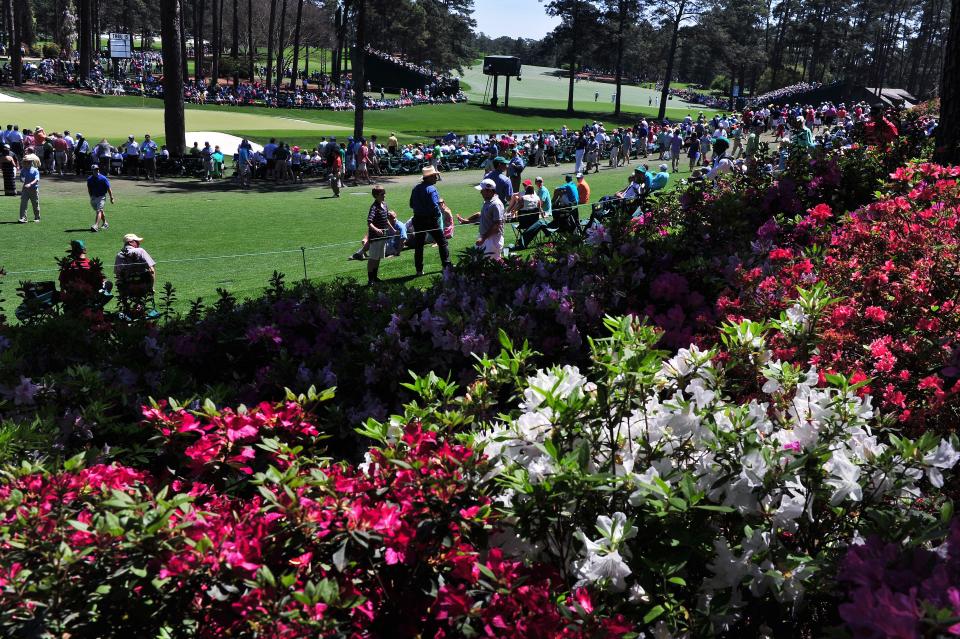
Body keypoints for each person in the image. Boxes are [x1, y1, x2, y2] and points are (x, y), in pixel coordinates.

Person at [408, 165, 451, 276]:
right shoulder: (431, 189)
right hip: (430, 220)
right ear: (430, 177)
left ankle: (419, 270)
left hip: (418, 219)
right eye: (435, 176)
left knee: (419, 246)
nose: (436, 177)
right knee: (442, 242)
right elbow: (434, 205)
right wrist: (436, 215)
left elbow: (411, 204)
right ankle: (446, 265)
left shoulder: (416, 188)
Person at [457, 178, 505, 258]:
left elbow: (497, 225)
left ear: (489, 191)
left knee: (491, 264)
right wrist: (467, 221)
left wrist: (483, 238)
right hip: (485, 237)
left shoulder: (496, 204)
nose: (480, 192)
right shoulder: (487, 201)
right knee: (478, 260)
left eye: (482, 190)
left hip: (492, 239)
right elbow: (482, 216)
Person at [58, 239, 107, 312]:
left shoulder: (68, 266)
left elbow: (62, 283)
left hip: (72, 299)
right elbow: (99, 283)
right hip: (89, 299)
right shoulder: (91, 265)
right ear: (84, 250)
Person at [365, 185, 394, 284]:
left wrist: (392, 228)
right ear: (376, 195)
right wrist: (376, 230)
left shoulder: (385, 205)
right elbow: (369, 222)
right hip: (375, 238)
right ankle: (370, 280)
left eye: (384, 193)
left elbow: (386, 219)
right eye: (382, 194)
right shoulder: (374, 207)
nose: (384, 195)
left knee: (378, 257)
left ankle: (375, 277)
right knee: (373, 258)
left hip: (383, 236)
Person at [87, 164, 114, 232]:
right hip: (93, 197)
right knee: (99, 211)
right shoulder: (89, 179)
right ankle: (105, 223)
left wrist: (111, 197)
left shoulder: (103, 178)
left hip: (101, 197)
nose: (97, 170)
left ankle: (96, 225)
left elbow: (108, 188)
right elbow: (89, 189)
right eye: (95, 169)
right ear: (92, 170)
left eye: (97, 169)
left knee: (99, 210)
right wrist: (91, 197)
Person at [18, 155, 40, 223]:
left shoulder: (35, 170)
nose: (25, 163)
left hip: (33, 189)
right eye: (24, 162)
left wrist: (30, 184)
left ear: (30, 162)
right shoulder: (23, 170)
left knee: (35, 204)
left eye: (26, 162)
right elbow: (21, 177)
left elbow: (36, 179)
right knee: (23, 204)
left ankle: (37, 217)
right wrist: (22, 179)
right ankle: (23, 218)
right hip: (25, 189)